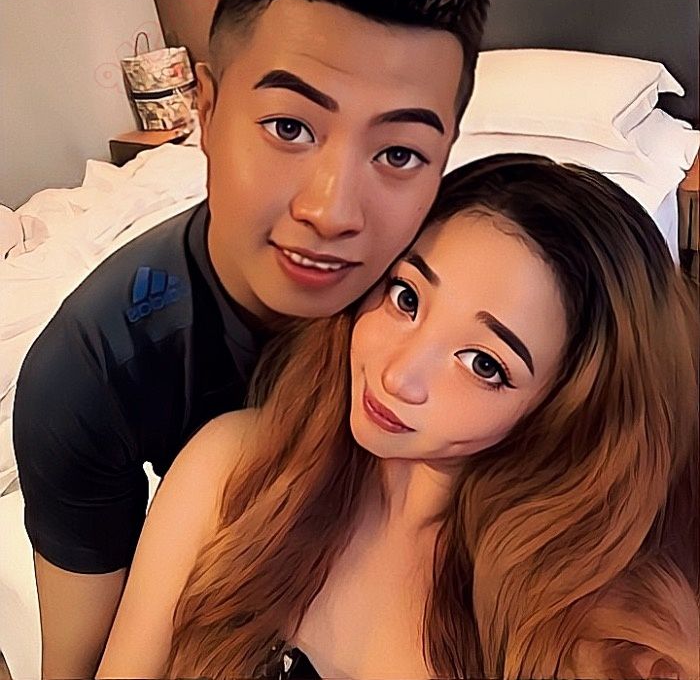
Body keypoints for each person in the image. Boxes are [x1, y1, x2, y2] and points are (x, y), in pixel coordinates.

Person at [12, 0, 488, 679]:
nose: (332, 212)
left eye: (399, 153)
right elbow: (81, 666)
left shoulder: (475, 305)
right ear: (205, 110)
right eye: (289, 127)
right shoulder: (93, 370)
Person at [97, 155, 699, 680]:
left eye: (484, 364)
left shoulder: (588, 630)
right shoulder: (234, 471)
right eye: (406, 297)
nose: (397, 376)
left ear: (566, 410)